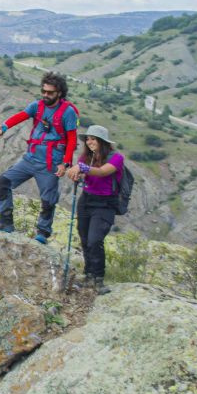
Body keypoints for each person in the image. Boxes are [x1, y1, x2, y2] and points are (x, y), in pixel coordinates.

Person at [0, 72, 78, 243]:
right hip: (30, 158)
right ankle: (5, 223)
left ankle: (43, 233)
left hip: (50, 163)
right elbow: (20, 116)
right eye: (43, 91)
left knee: (48, 199)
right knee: (4, 181)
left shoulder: (68, 113)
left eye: (50, 92)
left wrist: (65, 163)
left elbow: (72, 139)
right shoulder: (37, 106)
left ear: (59, 93)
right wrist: (2, 128)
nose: (45, 95)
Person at [66, 124, 124, 292]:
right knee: (84, 239)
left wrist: (82, 168)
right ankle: (89, 275)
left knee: (95, 240)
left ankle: (98, 279)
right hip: (86, 200)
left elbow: (103, 172)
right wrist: (76, 175)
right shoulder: (85, 157)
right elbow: (86, 174)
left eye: (93, 139)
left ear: (102, 141)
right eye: (88, 139)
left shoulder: (116, 158)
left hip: (105, 204)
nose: (90, 142)